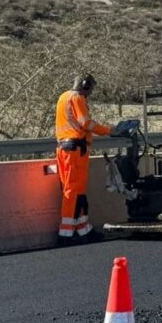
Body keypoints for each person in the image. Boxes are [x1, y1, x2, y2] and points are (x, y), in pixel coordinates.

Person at [54, 74, 112, 242]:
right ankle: (66, 234)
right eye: (91, 89)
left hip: (65, 149)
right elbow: (86, 123)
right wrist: (109, 130)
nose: (90, 93)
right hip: (75, 150)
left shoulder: (63, 96)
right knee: (74, 191)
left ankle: (82, 229)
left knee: (75, 191)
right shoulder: (77, 97)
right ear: (85, 86)